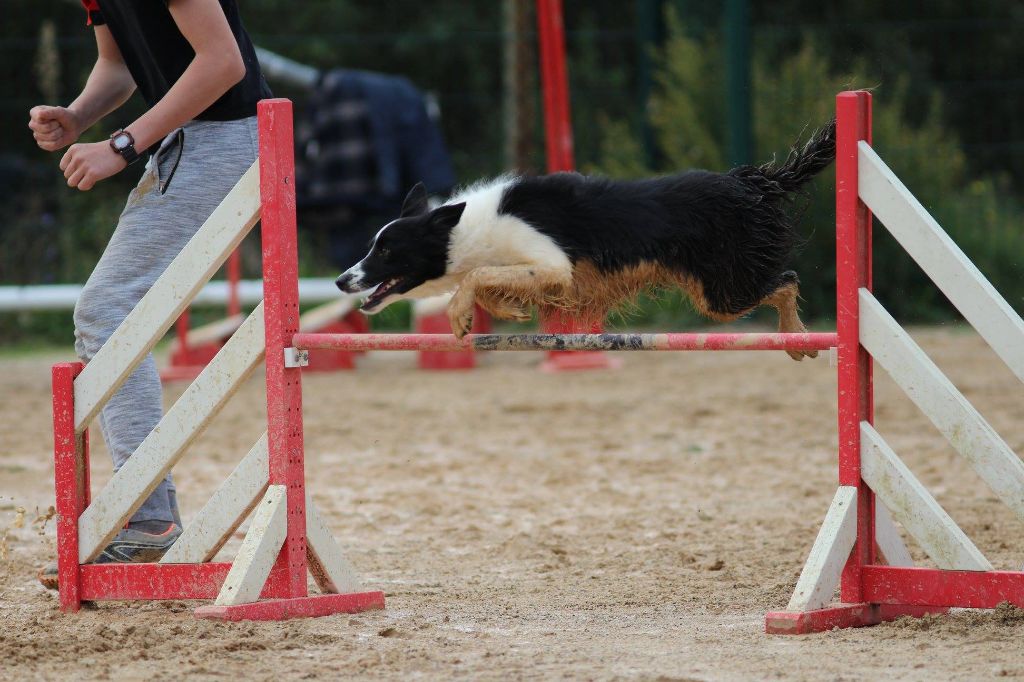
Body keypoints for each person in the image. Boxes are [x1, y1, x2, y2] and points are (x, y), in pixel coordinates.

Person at [30, 0, 272, 584]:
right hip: (189, 139)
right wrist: (80, 114)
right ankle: (149, 516)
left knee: (108, 310)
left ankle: (149, 520)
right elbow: (120, 65)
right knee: (111, 311)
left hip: (227, 137)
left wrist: (120, 146)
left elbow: (223, 63)